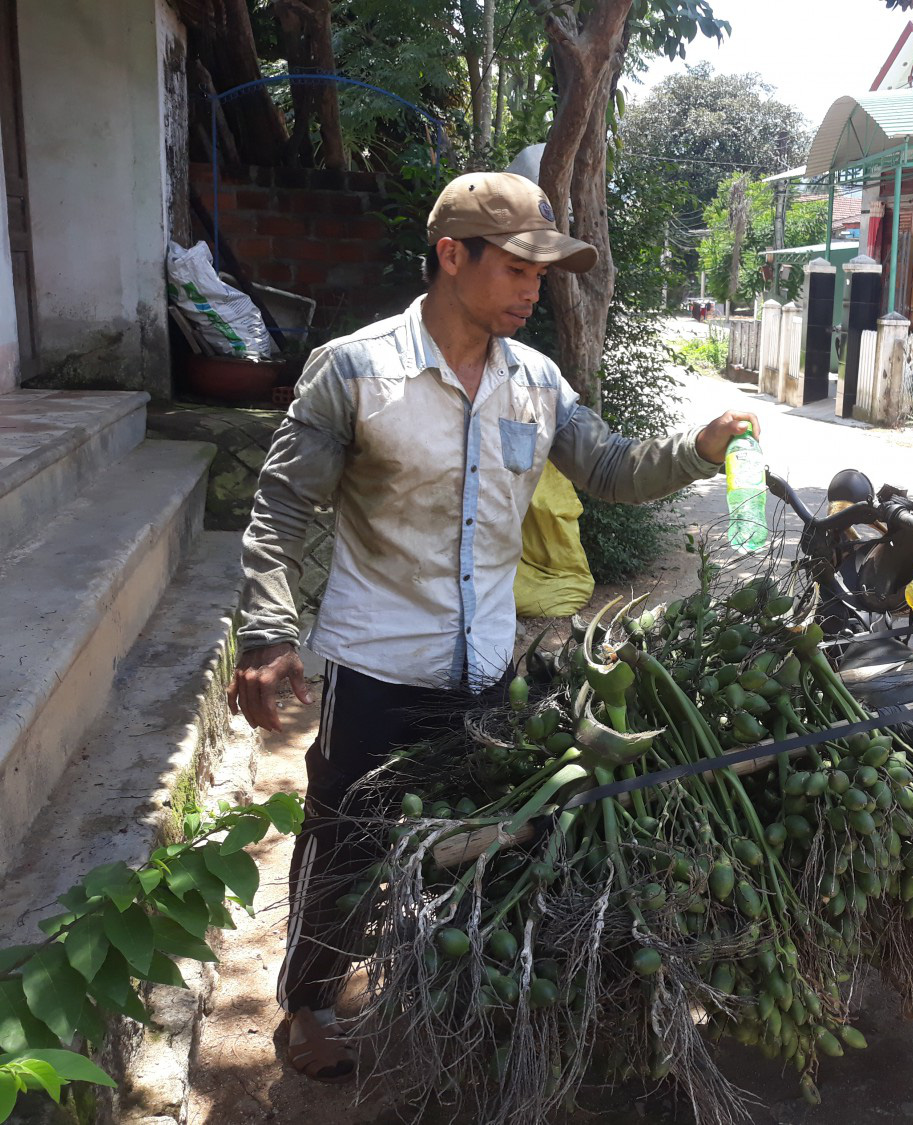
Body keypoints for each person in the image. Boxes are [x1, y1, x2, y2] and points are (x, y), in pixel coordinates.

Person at [227, 171, 758, 1082]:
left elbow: (614, 468)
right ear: (451, 255)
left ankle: (435, 1000)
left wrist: (698, 449)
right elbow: (281, 509)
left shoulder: (537, 384)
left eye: (542, 274)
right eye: (517, 268)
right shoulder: (357, 371)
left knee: (474, 846)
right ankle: (308, 1004)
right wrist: (268, 633)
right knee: (346, 840)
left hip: (485, 671)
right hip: (376, 665)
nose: (533, 288)